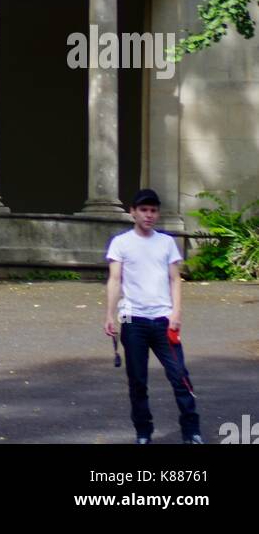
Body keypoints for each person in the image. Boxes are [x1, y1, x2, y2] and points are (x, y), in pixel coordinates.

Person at [104, 188, 203, 445]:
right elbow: (115, 280)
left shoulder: (166, 243)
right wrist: (109, 316)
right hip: (132, 320)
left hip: (163, 320)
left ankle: (191, 432)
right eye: (144, 210)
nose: (149, 215)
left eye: (153, 210)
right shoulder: (121, 243)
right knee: (137, 382)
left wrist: (176, 313)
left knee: (180, 376)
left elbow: (175, 280)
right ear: (133, 212)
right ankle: (143, 433)